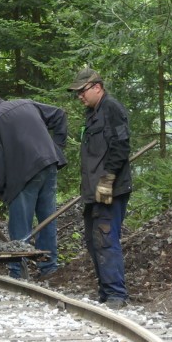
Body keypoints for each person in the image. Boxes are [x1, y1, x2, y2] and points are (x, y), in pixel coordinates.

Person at [0, 91, 67, 279]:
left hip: (23, 174)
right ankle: (49, 267)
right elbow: (59, 114)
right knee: (47, 219)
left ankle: (18, 271)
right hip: (49, 164)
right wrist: (56, 148)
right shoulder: (26, 103)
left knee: (20, 223)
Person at [67, 68, 132, 309]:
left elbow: (121, 145)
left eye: (82, 91)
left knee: (105, 238)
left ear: (97, 87)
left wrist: (108, 179)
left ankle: (116, 294)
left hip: (110, 189)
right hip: (94, 190)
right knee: (94, 240)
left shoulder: (112, 108)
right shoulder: (92, 113)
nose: (79, 97)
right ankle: (106, 292)